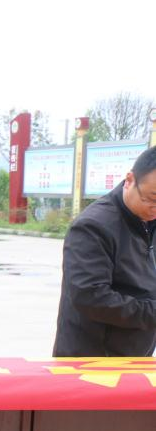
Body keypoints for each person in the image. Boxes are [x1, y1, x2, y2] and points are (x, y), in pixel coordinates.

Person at [53, 147, 156, 356]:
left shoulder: (150, 221)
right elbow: (90, 297)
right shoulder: (93, 226)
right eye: (151, 199)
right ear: (129, 180)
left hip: (135, 355)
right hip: (92, 359)